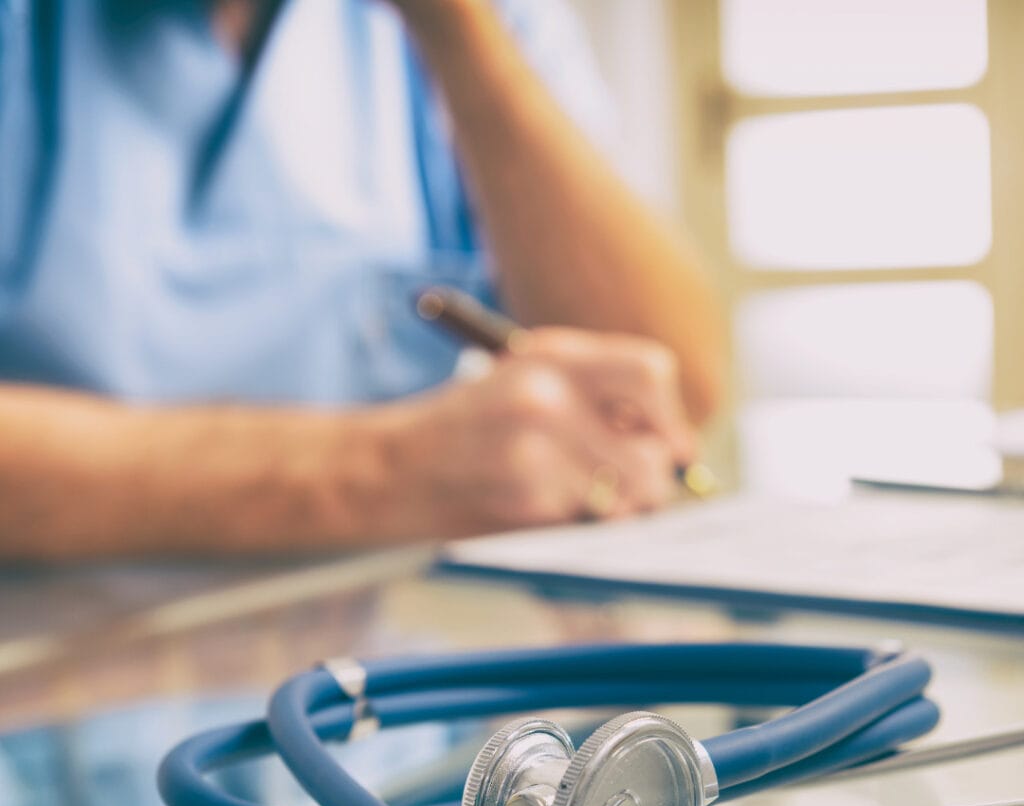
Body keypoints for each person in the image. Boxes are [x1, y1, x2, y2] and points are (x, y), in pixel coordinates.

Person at [0, 0, 723, 560]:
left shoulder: (464, 24)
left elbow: (651, 401)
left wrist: (457, 30)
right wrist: (379, 473)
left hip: (359, 706)